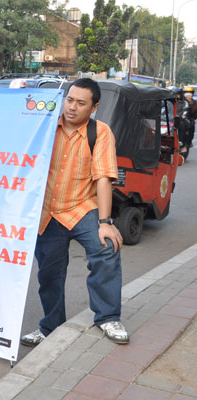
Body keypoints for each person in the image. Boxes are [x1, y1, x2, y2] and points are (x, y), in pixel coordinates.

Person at [21, 78, 128, 347]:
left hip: (82, 208)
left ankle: (107, 317)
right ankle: (51, 326)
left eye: (81, 103)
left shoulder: (100, 132)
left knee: (106, 248)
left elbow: (103, 178)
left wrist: (105, 222)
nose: (72, 107)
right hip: (48, 212)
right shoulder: (44, 126)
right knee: (49, 273)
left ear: (94, 107)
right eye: (69, 100)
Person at [180, 86, 195, 154]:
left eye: (190, 93)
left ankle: (187, 142)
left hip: (189, 118)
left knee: (191, 124)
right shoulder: (180, 101)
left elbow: (194, 113)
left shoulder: (194, 102)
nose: (188, 94)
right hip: (178, 118)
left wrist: (190, 103)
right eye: (186, 92)